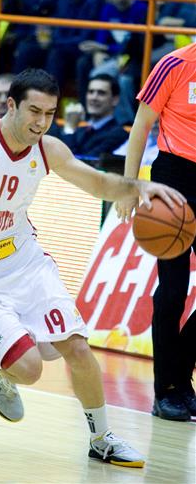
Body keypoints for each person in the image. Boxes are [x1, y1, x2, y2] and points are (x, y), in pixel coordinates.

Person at [0, 68, 185, 467]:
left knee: (73, 346)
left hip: (24, 263)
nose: (40, 123)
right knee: (30, 368)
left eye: (49, 114)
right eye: (33, 111)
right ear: (11, 105)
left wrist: (138, 186)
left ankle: (102, 438)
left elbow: (98, 184)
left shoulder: (48, 149)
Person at [116, 43, 196, 422]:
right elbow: (141, 127)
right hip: (174, 179)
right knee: (173, 290)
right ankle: (167, 390)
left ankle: (180, 376)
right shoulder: (174, 64)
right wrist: (128, 187)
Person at [60, 74, 129, 158]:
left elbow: (83, 163)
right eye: (91, 92)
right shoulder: (80, 129)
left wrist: (69, 129)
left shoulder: (118, 134)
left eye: (101, 93)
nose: (94, 97)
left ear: (115, 100)